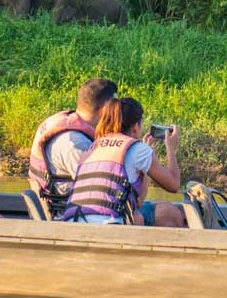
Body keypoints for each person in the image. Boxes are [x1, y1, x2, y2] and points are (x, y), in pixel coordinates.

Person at [57, 96, 187, 227]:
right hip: (109, 226)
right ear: (136, 126)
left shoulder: (93, 146)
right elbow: (174, 185)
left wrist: (146, 165)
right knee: (168, 214)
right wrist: (171, 150)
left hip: (73, 223)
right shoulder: (138, 150)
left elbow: (138, 201)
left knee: (137, 216)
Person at [29, 77, 117, 217]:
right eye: (115, 108)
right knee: (162, 213)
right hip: (72, 216)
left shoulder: (60, 122)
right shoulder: (76, 144)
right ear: (105, 110)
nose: (117, 114)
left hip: (68, 208)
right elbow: (101, 191)